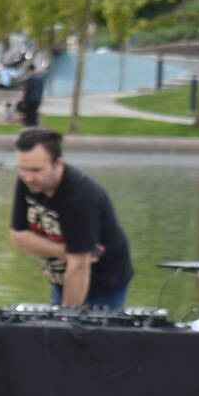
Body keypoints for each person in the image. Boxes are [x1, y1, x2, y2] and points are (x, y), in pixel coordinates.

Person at [10, 127, 132, 309]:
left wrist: (66, 320)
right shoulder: (28, 183)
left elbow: (80, 265)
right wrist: (64, 252)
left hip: (103, 284)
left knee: (72, 330)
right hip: (61, 279)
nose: (28, 177)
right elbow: (19, 238)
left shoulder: (81, 197)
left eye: (36, 170)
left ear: (58, 164)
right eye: (23, 169)